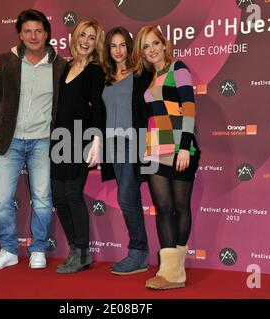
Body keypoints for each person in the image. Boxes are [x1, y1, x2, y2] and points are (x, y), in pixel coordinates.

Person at [0, 9, 66, 270]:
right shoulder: (7, 61)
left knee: (42, 198)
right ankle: (8, 250)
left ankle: (38, 248)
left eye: (38, 30)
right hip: (10, 140)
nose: (33, 36)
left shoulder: (60, 65)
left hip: (43, 141)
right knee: (3, 199)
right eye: (27, 31)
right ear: (20, 34)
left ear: (47, 33)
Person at [132, 25, 201, 289]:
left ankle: (174, 271)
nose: (150, 50)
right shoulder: (150, 78)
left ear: (164, 44)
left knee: (180, 207)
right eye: (145, 46)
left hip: (179, 148)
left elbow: (189, 108)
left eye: (154, 44)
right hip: (154, 149)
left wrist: (185, 146)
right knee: (163, 208)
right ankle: (170, 271)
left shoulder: (178, 68)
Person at [50, 20, 106, 274]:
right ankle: (75, 248)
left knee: (72, 194)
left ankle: (82, 252)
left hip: (79, 140)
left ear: (97, 44)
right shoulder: (66, 66)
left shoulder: (95, 71)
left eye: (92, 37)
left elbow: (100, 108)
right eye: (82, 34)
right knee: (59, 198)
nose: (85, 40)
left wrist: (96, 141)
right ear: (75, 37)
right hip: (58, 140)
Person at [100, 26, 153, 275]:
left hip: (134, 143)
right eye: (113, 45)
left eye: (122, 45)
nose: (118, 50)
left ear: (129, 48)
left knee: (125, 198)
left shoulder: (141, 73)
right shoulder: (105, 78)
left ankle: (137, 253)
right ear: (108, 49)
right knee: (130, 198)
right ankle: (140, 254)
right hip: (112, 146)